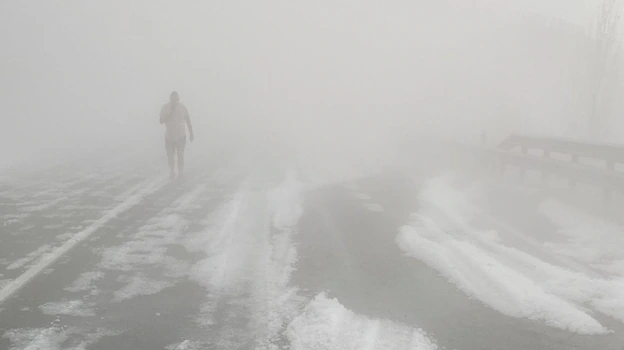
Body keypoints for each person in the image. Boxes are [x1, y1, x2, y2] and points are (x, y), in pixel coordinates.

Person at [160, 91, 194, 179]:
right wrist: (170, 114)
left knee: (180, 155)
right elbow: (161, 121)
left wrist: (191, 133)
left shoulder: (182, 108)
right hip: (169, 137)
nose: (174, 100)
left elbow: (188, 120)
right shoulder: (165, 107)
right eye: (173, 98)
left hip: (181, 136)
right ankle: (172, 171)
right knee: (170, 156)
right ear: (170, 98)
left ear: (178, 99)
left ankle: (180, 173)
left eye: (176, 98)